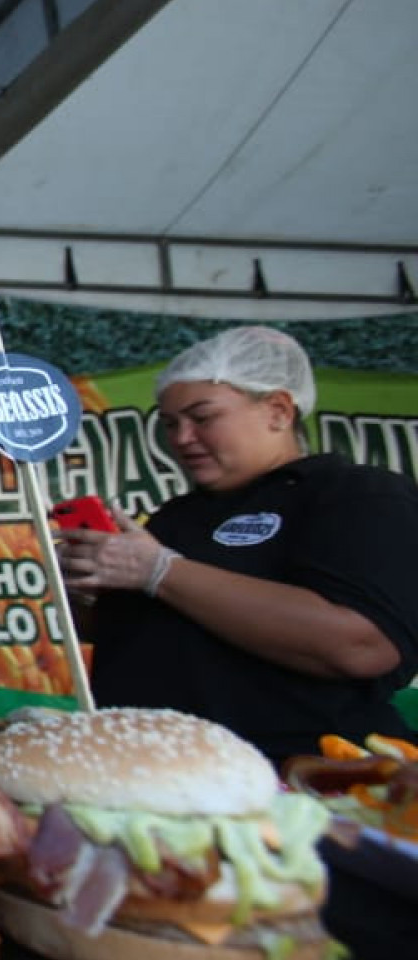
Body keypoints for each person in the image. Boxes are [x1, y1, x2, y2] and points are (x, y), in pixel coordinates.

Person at [56, 325, 418, 765]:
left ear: (279, 411)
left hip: (306, 777)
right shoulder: (176, 516)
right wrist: (89, 589)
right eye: (170, 424)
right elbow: (144, 636)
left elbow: (363, 645)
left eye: (202, 418)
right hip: (152, 771)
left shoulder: (356, 495)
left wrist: (163, 572)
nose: (182, 438)